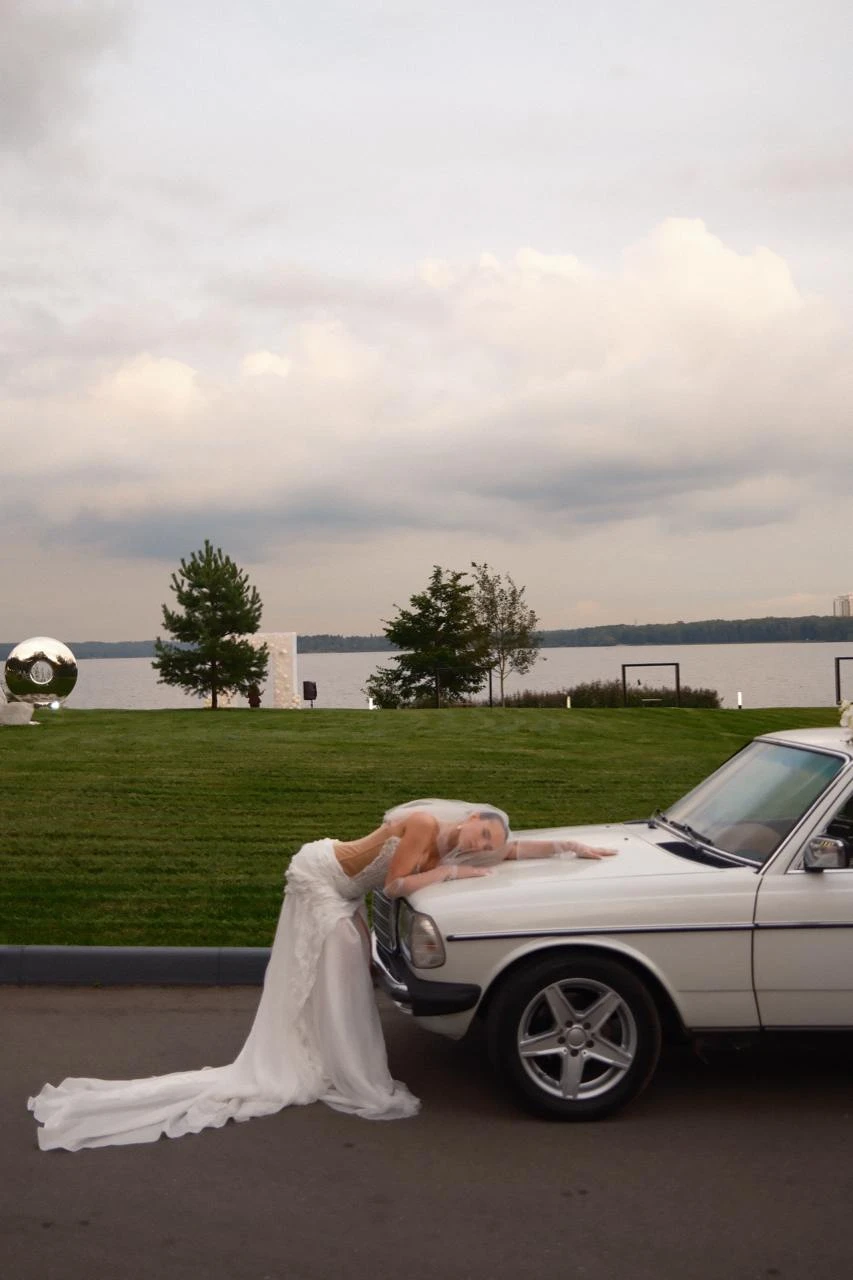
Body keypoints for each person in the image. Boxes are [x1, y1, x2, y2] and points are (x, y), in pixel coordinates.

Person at [28, 798, 616, 1151]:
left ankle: (327, 1057)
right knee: (344, 962)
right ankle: (334, 1067)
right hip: (320, 878)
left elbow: (513, 851)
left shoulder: (463, 844)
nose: (479, 845)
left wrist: (568, 846)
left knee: (346, 968)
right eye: (480, 833)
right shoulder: (422, 825)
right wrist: (455, 877)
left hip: (343, 890)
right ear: (468, 819)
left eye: (485, 844)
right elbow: (395, 885)